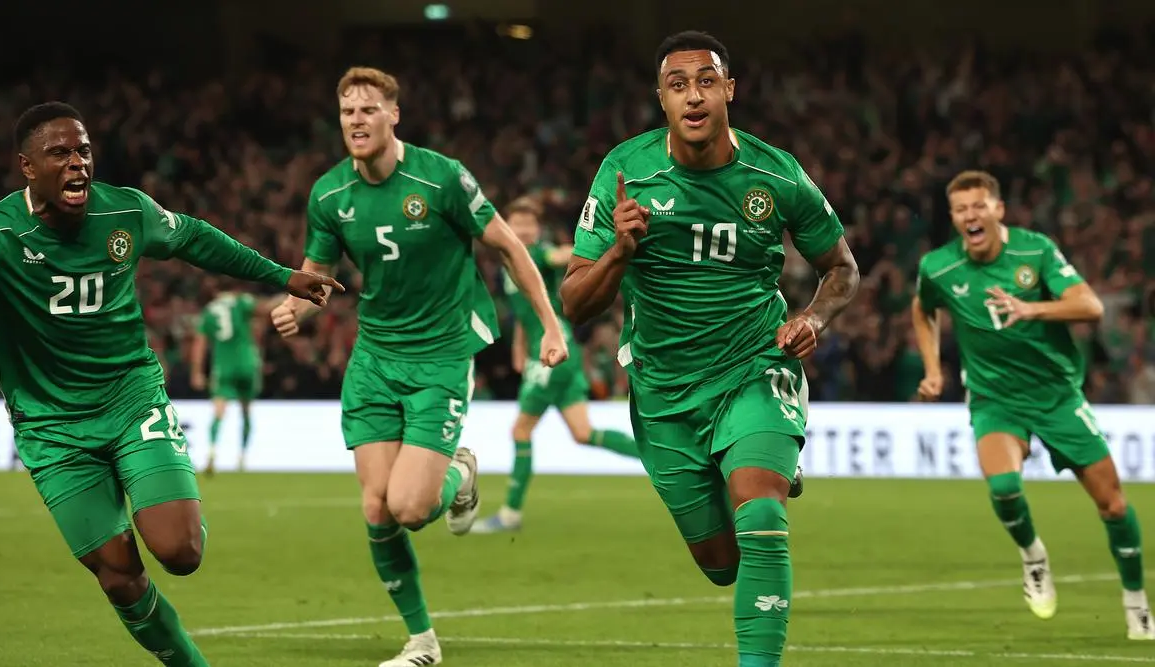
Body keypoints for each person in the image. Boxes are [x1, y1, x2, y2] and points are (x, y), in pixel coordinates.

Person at [0, 101, 342, 667]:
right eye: (59, 153)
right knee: (118, 575)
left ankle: (170, 490)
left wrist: (282, 274)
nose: (77, 163)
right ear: (27, 166)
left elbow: (194, 239)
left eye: (84, 150)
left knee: (181, 551)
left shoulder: (126, 211)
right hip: (51, 427)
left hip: (129, 397)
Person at [559, 31, 859, 667]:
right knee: (721, 565)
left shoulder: (775, 174)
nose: (693, 96)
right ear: (661, 101)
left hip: (754, 365)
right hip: (665, 391)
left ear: (729, 89)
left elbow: (842, 268)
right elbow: (576, 304)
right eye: (677, 85)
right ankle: (756, 473)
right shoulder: (625, 171)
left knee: (761, 516)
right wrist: (618, 250)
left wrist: (813, 317)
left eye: (705, 81)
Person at [270, 67, 568, 667]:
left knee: (410, 508)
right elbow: (317, 274)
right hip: (375, 359)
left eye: (368, 109)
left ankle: (461, 474)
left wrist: (551, 324)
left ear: (393, 115)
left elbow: (509, 246)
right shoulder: (329, 194)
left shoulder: (441, 178)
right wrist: (296, 306)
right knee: (376, 509)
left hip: (440, 357)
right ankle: (422, 642)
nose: (356, 120)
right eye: (347, 111)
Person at [912, 169, 1153, 640]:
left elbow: (1090, 306)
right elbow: (923, 308)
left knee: (1113, 506)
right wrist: (933, 369)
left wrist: (1032, 309)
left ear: (998, 209)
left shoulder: (1034, 251)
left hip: (1057, 396)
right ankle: (1033, 556)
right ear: (953, 217)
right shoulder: (937, 267)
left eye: (979, 206)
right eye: (961, 210)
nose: (970, 216)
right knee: (1003, 485)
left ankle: (1136, 600)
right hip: (994, 399)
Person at [471, 196, 640, 534]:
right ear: (507, 224)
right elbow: (525, 311)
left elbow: (559, 255)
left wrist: (603, 240)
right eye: (517, 222)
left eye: (529, 224)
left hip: (552, 356)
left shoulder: (537, 253)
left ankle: (511, 514)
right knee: (583, 433)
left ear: (537, 229)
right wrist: (520, 346)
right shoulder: (511, 261)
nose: (523, 228)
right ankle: (659, 455)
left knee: (520, 431)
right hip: (551, 354)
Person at [190, 282, 279, 475]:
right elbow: (263, 310)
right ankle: (242, 457)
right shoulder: (241, 302)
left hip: (223, 365)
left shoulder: (209, 311)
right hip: (248, 362)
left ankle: (212, 452)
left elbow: (200, 343)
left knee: (219, 410)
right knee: (246, 410)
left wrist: (197, 372)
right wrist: (285, 297)